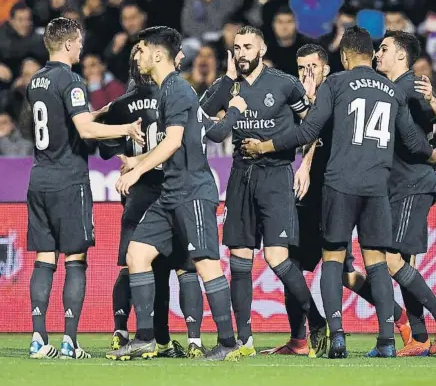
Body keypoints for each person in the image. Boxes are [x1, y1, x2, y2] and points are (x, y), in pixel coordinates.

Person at [241, 26, 436, 358]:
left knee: (342, 269)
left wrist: (292, 155)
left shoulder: (336, 88)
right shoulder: (374, 89)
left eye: (312, 67)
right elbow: (405, 136)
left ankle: (367, 328)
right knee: (314, 266)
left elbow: (313, 132)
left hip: (334, 189)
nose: (306, 73)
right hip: (345, 191)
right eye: (301, 67)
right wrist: (431, 152)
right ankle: (309, 337)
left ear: (333, 64)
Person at [108, 26, 244, 361]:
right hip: (170, 193)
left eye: (140, 49)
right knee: (136, 254)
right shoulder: (168, 90)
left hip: (192, 192)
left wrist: (139, 170)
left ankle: (228, 343)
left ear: (157, 54)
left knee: (206, 263)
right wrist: (137, 160)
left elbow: (172, 142)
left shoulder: (177, 90)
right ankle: (145, 338)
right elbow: (183, 139)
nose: (136, 55)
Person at [25, 17, 143, 360]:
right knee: (75, 259)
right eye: (78, 42)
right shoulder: (71, 79)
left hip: (39, 177)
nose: (81, 47)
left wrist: (100, 111)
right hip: (68, 180)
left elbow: (67, 119)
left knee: (44, 258)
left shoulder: (37, 80)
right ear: (67, 44)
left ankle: (37, 339)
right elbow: (85, 131)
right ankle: (69, 341)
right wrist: (126, 129)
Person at [199, 25, 318, 357]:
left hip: (276, 176)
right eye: (237, 47)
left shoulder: (284, 84)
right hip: (241, 175)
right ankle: (245, 341)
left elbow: (311, 128)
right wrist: (224, 80)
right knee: (239, 258)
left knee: (277, 258)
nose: (241, 53)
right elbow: (198, 116)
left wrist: (304, 164)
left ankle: (318, 323)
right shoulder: (229, 87)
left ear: (262, 50)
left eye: (248, 47)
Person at [101, 45, 208, 360]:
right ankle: (193, 341)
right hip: (175, 188)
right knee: (185, 269)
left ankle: (125, 333)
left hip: (140, 193)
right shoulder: (178, 95)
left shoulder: (122, 104)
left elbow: (103, 143)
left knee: (133, 264)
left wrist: (129, 159)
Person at [376, 30, 436, 356]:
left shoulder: (411, 85)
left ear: (401, 55)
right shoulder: (392, 89)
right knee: (405, 262)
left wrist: (433, 101)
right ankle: (420, 338)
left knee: (391, 260)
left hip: (413, 183)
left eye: (384, 49)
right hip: (398, 184)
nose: (377, 53)